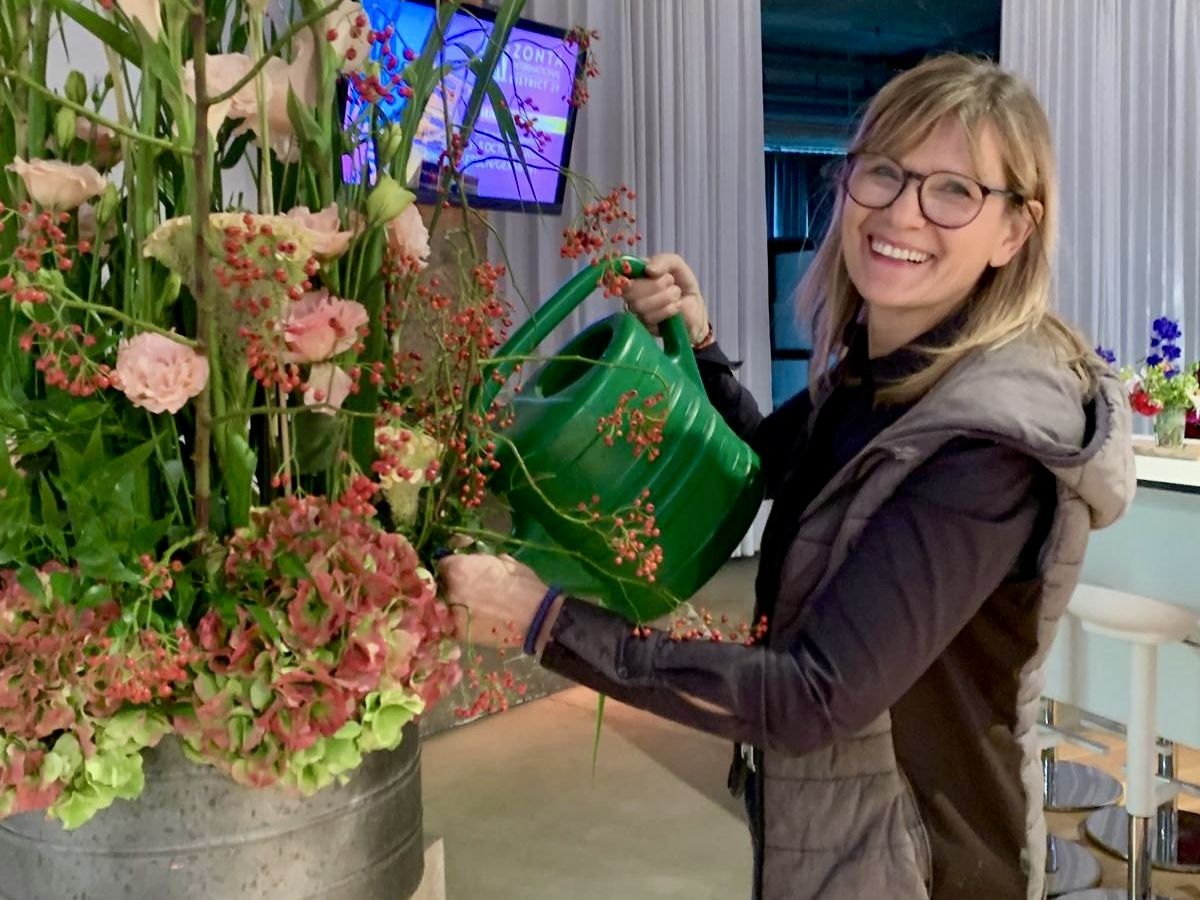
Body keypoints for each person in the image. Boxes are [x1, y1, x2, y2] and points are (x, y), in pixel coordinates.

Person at [438, 54, 1134, 900]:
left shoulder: (983, 446)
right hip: (838, 829)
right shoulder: (879, 374)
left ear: (1014, 231)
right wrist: (699, 346)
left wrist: (542, 619)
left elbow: (811, 698)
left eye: (954, 190)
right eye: (884, 172)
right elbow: (773, 462)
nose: (903, 212)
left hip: (924, 861)